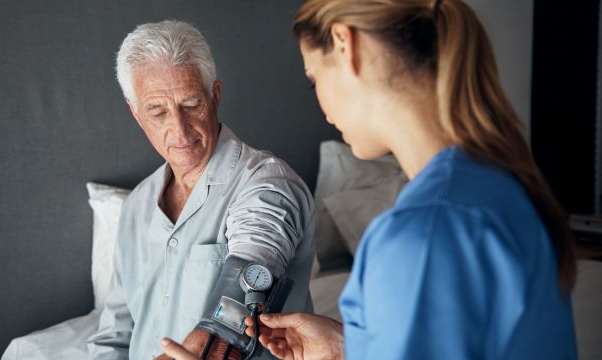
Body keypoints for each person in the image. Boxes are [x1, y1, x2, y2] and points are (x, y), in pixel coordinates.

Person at [161, 0, 579, 359]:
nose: (322, 105)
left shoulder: (422, 234)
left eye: (313, 80)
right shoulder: (499, 183)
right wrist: (351, 346)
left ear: (346, 45)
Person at [87, 20, 315, 359]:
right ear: (136, 114)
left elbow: (251, 278)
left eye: (191, 104)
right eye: (158, 111)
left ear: (215, 95)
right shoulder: (136, 206)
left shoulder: (268, 184)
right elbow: (116, 332)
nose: (179, 129)